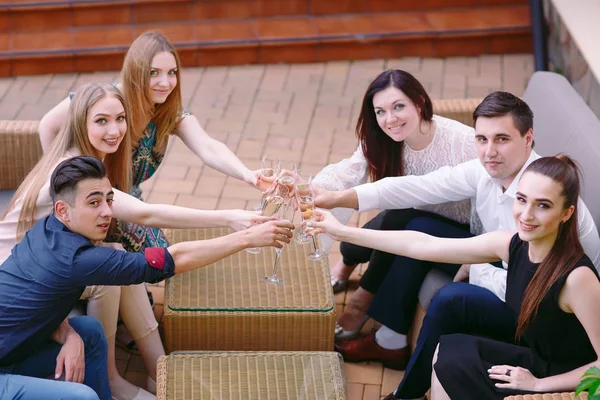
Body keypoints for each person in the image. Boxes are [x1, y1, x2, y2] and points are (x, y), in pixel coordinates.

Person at [314, 91, 600, 397]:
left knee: (452, 299)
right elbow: (418, 217)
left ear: (528, 138)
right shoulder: (509, 228)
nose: (489, 151)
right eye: (481, 139)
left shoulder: (565, 245)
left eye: (502, 139)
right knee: (412, 220)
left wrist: (474, 266)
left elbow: (537, 290)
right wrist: (339, 216)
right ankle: (393, 347)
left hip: (548, 325)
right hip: (511, 273)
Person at [1, 82, 272, 400]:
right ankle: (136, 375)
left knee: (89, 330)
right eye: (101, 120)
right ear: (63, 210)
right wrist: (241, 232)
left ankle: (139, 377)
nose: (106, 212)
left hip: (21, 317)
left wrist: (67, 333)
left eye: (108, 199)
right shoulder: (74, 229)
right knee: (83, 394)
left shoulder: (67, 201)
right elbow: (159, 238)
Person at [38, 31, 262, 253]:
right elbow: (47, 125)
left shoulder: (166, 113)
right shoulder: (105, 100)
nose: (165, 83)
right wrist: (64, 179)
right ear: (136, 72)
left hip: (128, 200)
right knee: (159, 256)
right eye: (153, 72)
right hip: (90, 201)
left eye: (171, 72)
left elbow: (207, 146)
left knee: (158, 252)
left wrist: (247, 174)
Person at [310, 69, 479, 341]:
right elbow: (348, 172)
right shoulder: (382, 138)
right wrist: (309, 187)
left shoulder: (463, 143)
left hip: (461, 228)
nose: (390, 120)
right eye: (380, 111)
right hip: (411, 217)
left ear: (420, 102)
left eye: (399, 106)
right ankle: (346, 264)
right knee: (392, 220)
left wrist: (478, 255)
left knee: (399, 219)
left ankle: (359, 300)